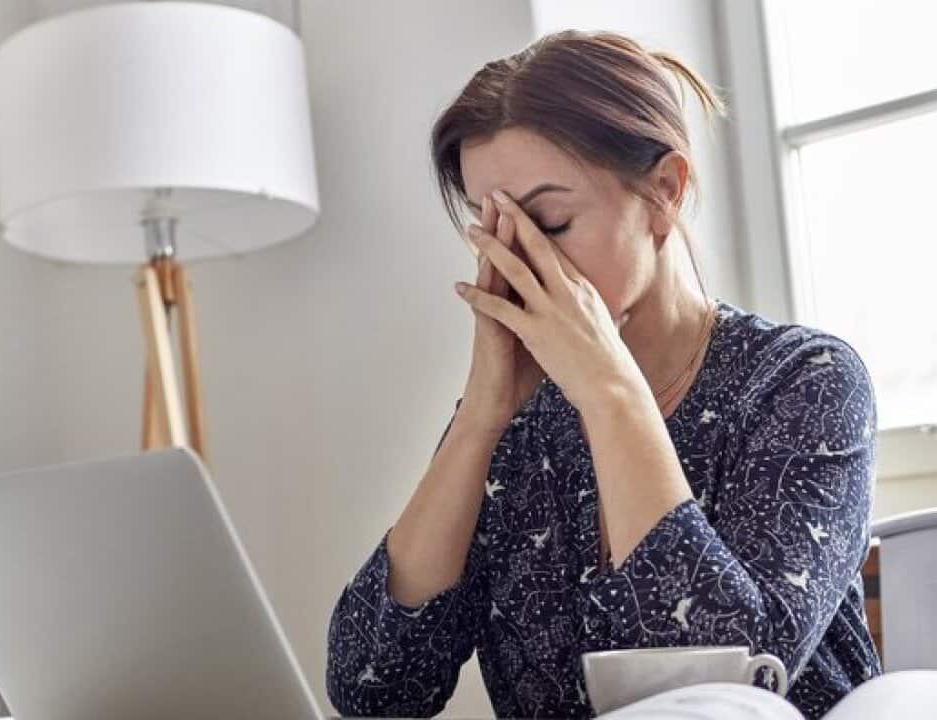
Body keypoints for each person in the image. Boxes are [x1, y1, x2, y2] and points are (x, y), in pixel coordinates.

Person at [326, 29, 881, 720]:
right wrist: (480, 418)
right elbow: (373, 690)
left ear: (664, 191)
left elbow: (728, 683)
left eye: (549, 222)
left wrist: (610, 394)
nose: (519, 263)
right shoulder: (515, 425)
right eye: (491, 231)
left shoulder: (804, 383)